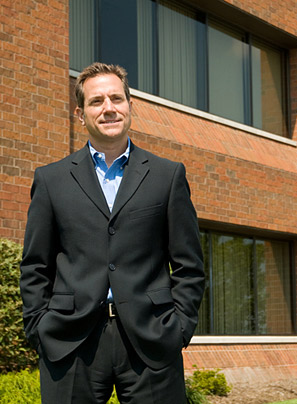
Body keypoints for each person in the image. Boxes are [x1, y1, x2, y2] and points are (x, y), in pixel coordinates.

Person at [20, 62, 205, 403]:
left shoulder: (167, 176)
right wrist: (39, 328)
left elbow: (189, 264)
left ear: (130, 106)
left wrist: (178, 329)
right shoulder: (51, 180)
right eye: (96, 101)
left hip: (151, 342)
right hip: (71, 342)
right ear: (80, 114)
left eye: (116, 99)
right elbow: (35, 264)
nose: (108, 108)